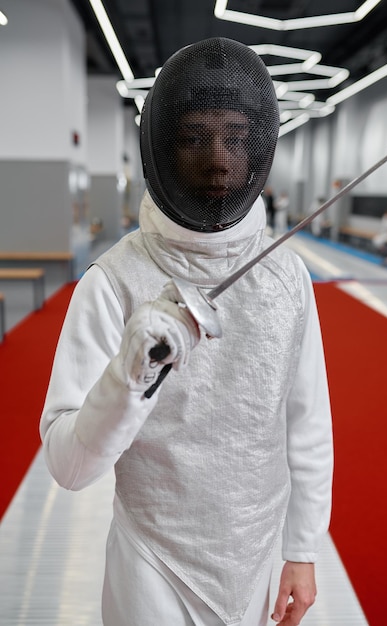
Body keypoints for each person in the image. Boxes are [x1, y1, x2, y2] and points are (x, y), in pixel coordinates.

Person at [40, 37, 333, 626]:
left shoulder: (286, 276)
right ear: (165, 146)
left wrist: (301, 549)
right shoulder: (115, 280)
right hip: (152, 560)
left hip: (256, 556)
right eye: (196, 137)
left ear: (258, 147)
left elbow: (307, 422)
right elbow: (69, 469)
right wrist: (129, 377)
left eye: (233, 137)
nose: (219, 158)